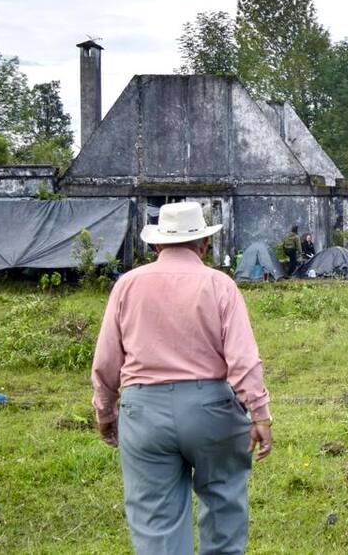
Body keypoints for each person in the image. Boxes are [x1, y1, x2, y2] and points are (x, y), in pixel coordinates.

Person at [91, 202, 273, 554]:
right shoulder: (220, 284)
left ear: (157, 245)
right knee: (224, 505)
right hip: (213, 409)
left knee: (156, 524)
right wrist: (260, 413)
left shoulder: (127, 285)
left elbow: (106, 361)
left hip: (144, 412)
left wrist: (105, 411)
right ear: (204, 244)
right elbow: (243, 359)